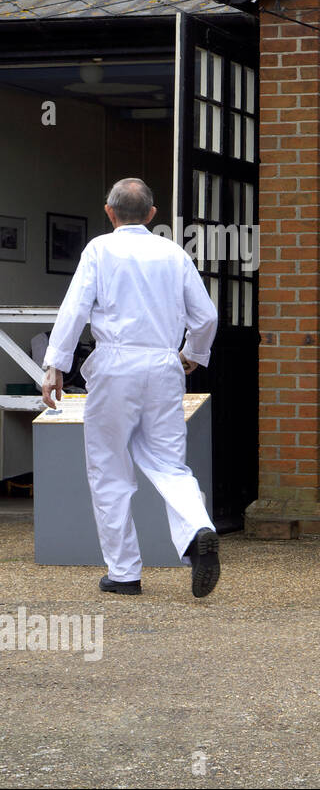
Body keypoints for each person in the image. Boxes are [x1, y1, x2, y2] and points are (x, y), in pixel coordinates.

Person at [41, 178, 221, 597]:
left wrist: (56, 365)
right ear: (153, 215)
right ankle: (198, 529)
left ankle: (124, 573)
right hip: (162, 365)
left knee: (109, 468)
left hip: (116, 365)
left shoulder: (99, 251)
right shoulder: (174, 253)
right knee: (170, 464)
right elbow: (207, 316)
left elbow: (74, 310)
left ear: (109, 212)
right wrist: (193, 351)